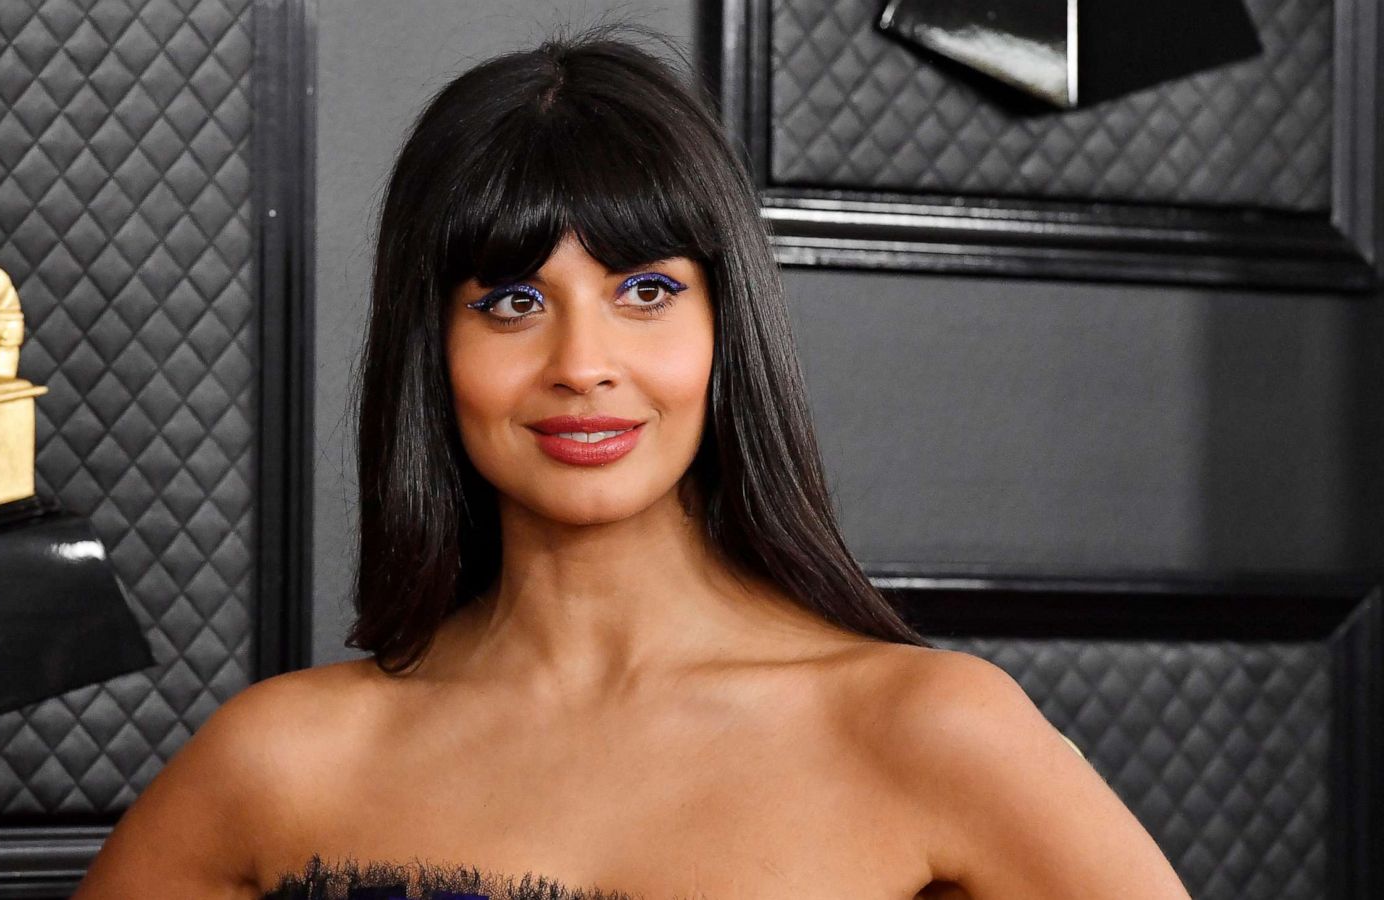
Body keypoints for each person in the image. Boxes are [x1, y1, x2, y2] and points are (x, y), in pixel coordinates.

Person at [73, 27, 1192, 900]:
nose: (583, 364)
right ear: (435, 349)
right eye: (512, 302)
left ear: (725, 328)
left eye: (645, 292)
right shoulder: (286, 760)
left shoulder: (928, 729)